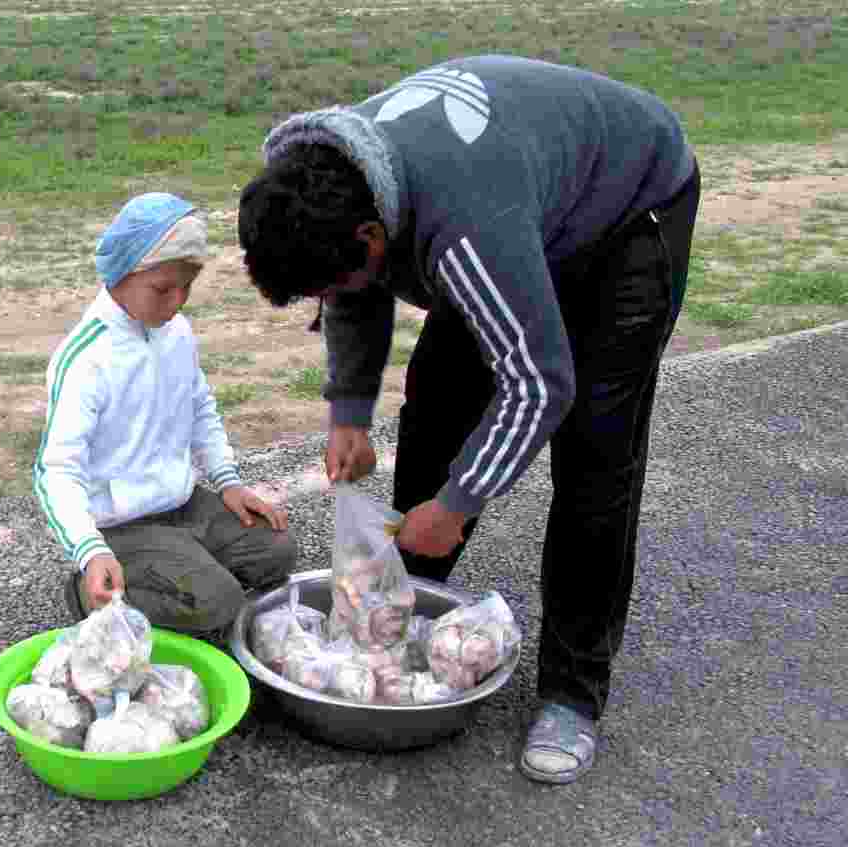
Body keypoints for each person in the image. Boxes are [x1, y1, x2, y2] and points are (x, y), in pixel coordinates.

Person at [238, 55, 700, 783]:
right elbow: (355, 289)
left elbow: (540, 384)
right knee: (438, 404)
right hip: (521, 203)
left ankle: (572, 694)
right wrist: (349, 414)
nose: (337, 296)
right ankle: (401, 613)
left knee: (595, 457)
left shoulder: (461, 228)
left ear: (371, 236)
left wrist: (458, 502)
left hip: (628, 215)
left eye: (340, 276)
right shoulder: (339, 173)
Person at [35, 192, 298, 637]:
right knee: (221, 603)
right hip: (122, 525)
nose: (177, 301)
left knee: (278, 551)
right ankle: (85, 591)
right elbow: (54, 470)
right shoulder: (86, 358)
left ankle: (184, 565)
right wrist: (89, 548)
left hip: (184, 505)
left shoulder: (176, 333)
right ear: (121, 272)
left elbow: (200, 408)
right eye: (163, 288)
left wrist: (228, 482)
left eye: (187, 288)